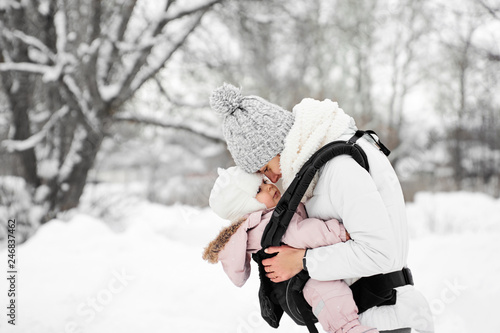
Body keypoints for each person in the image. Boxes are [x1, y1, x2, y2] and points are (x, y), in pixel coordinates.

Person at [209, 83, 434, 333]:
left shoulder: (339, 168)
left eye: (265, 167)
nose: (272, 177)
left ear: (276, 145)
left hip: (387, 317)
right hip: (374, 316)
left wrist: (303, 261)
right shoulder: (318, 171)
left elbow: (381, 253)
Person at [203, 166, 378, 333]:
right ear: (244, 207)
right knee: (331, 293)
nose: (269, 188)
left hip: (296, 283)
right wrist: (339, 232)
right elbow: (302, 233)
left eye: (264, 182)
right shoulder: (267, 224)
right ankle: (347, 329)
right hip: (300, 286)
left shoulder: (266, 218)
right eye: (258, 191)